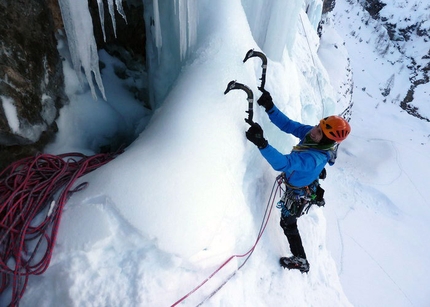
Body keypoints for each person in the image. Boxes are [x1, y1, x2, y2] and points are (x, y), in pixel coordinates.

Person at [245, 89, 351, 273]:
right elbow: (290, 125)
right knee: (288, 221)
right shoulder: (315, 137)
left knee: (287, 222)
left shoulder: (313, 158)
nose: (313, 131)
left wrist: (262, 143)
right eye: (318, 126)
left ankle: (301, 260)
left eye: (319, 131)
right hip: (302, 182)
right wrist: (271, 108)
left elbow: (284, 164)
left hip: (298, 191)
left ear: (326, 140)